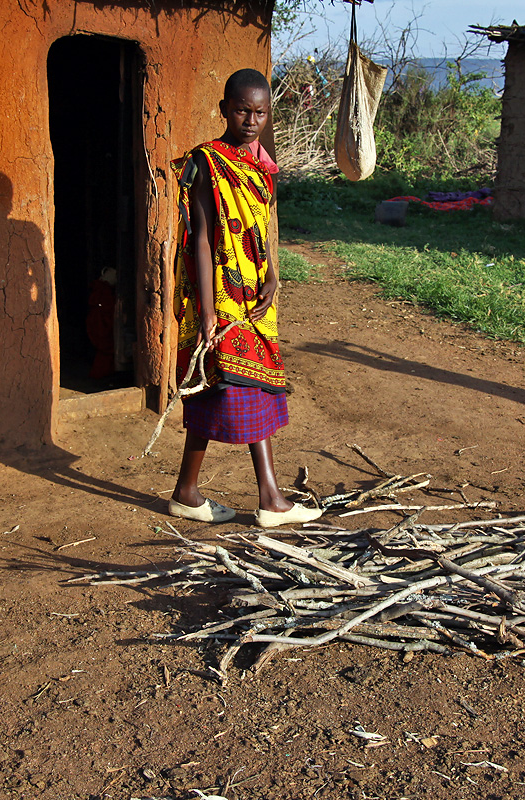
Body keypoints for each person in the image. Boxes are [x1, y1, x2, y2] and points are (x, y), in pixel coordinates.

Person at [167, 68, 323, 529]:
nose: (250, 121)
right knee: (237, 383)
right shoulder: (206, 165)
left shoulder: (262, 167)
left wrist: (274, 276)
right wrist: (209, 311)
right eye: (241, 111)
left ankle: (187, 491)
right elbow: (198, 238)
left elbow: (262, 230)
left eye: (259, 113)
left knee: (230, 385)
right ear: (224, 110)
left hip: (255, 295)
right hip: (218, 297)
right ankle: (270, 498)